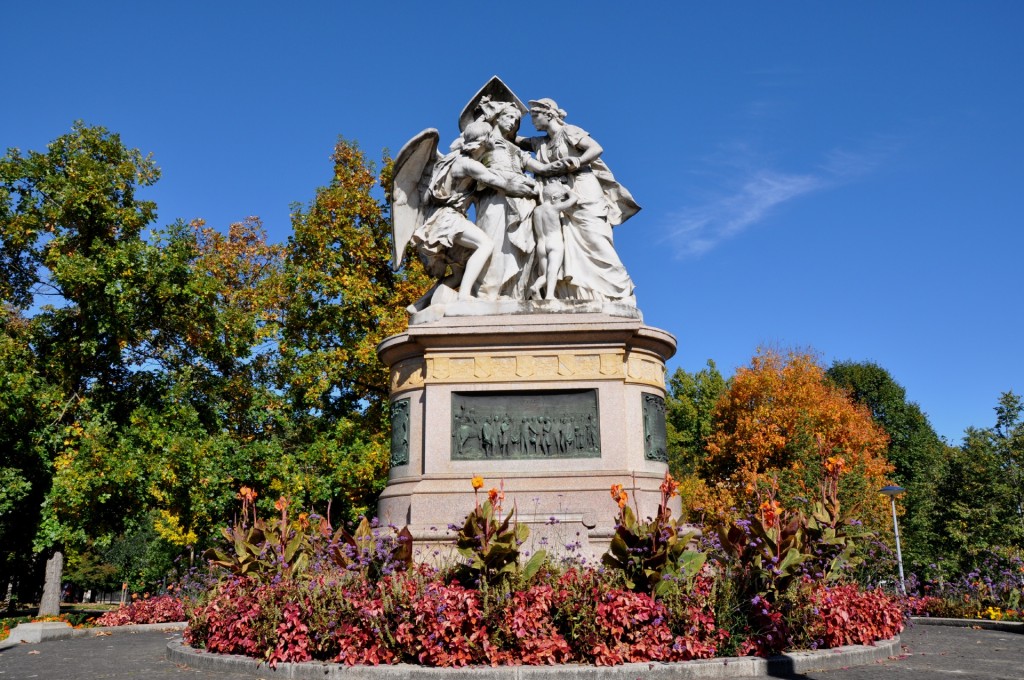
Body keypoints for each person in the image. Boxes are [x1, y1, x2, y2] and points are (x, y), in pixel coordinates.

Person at [519, 98, 640, 304]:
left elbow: (596, 148)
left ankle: (618, 291)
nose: (532, 121)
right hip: (556, 195)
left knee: (595, 238)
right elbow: (512, 139)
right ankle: (576, 293)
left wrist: (578, 161)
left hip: (583, 189)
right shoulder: (539, 143)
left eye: (535, 115)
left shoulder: (569, 132)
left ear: (549, 114)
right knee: (562, 243)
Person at [411, 121, 537, 301]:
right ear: (485, 140)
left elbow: (426, 198)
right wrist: (526, 187)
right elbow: (499, 182)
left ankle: (419, 304)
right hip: (448, 218)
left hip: (437, 217)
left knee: (459, 274)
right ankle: (464, 296)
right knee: (485, 244)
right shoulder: (469, 165)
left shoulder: (450, 160)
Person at [530, 182, 577, 300]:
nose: (562, 201)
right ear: (554, 197)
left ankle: (536, 286)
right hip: (554, 242)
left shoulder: (537, 210)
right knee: (553, 271)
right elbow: (575, 198)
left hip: (541, 245)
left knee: (545, 274)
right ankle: (550, 295)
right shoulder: (554, 207)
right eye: (561, 199)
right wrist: (566, 190)